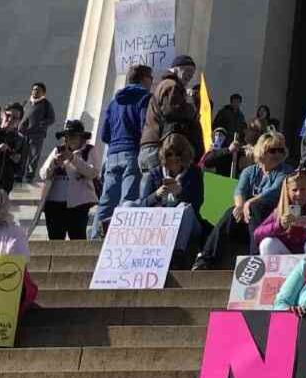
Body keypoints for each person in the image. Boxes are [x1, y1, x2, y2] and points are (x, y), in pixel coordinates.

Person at [194, 130, 293, 270]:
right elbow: (239, 190)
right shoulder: (249, 171)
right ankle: (205, 257)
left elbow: (274, 191)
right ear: (262, 152)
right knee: (231, 212)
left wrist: (249, 202)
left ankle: (255, 257)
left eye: (281, 150)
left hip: (272, 219)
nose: (278, 154)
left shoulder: (286, 171)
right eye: (273, 151)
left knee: (255, 207)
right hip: (249, 220)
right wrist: (240, 206)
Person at [128, 133, 205, 266]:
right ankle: (126, 247)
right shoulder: (154, 174)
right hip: (158, 222)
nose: (174, 158)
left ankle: (178, 254)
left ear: (184, 155)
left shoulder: (194, 172)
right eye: (169, 154)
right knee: (128, 205)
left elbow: (197, 204)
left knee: (184, 207)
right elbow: (143, 204)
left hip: (186, 223)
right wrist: (156, 195)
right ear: (164, 155)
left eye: (178, 154)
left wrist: (180, 193)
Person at [96, 64, 153, 237]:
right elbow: (145, 127)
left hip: (113, 154)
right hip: (133, 152)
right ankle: (119, 238)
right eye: (151, 78)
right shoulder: (145, 98)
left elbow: (104, 134)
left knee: (106, 200)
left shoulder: (114, 102)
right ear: (144, 79)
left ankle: (95, 237)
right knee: (128, 199)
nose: (152, 82)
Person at [38, 119, 98, 241]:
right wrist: (54, 163)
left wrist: (72, 158)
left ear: (81, 138)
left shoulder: (89, 151)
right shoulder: (58, 150)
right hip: (54, 203)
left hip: (78, 204)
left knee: (77, 239)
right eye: (67, 136)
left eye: (73, 136)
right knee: (55, 240)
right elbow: (43, 174)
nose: (69, 139)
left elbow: (92, 172)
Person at [139, 54, 200, 173]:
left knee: (150, 183)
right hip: (158, 146)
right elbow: (171, 111)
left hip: (150, 144)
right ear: (176, 68)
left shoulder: (165, 84)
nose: (190, 76)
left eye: (192, 74)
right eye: (188, 71)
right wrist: (191, 109)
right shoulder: (172, 85)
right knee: (159, 183)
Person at [253, 171, 306, 256]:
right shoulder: (280, 211)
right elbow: (257, 234)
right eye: (294, 190)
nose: (299, 194)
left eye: (303, 189)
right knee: (267, 244)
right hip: (286, 255)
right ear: (288, 192)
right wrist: (279, 225)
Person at [19, 82, 55, 180]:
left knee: (33, 157)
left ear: (43, 93)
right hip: (23, 134)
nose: (35, 92)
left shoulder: (46, 104)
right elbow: (19, 115)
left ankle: (29, 177)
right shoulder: (26, 103)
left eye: (38, 90)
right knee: (22, 156)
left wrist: (40, 124)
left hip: (37, 136)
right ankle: (18, 175)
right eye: (34, 89)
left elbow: (51, 119)